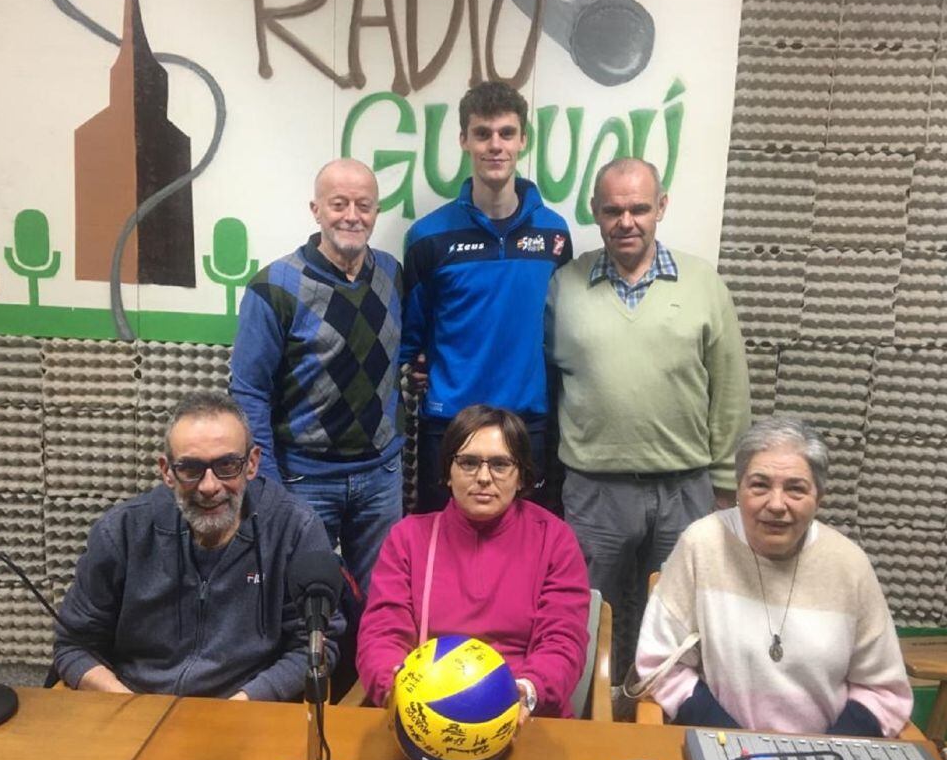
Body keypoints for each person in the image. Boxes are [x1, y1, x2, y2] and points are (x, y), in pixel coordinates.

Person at [545, 156, 751, 681]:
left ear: (662, 207)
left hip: (686, 487)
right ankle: (594, 722)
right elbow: (547, 381)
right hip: (594, 491)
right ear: (595, 211)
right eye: (613, 210)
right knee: (589, 616)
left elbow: (729, 390)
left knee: (681, 619)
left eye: (639, 208)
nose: (626, 221)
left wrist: (727, 484)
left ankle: (663, 717)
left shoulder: (704, 284)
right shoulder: (564, 285)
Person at [53, 391, 342, 700]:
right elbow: (74, 645)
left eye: (227, 465)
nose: (209, 486)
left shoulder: (294, 530)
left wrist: (247, 701)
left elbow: (315, 644)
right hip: (135, 706)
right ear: (167, 471)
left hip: (246, 711)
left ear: (252, 464)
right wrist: (130, 705)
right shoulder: (121, 532)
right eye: (190, 469)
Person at [634, 417, 913, 736]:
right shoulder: (701, 545)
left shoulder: (850, 565)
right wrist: (736, 746)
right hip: (721, 745)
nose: (777, 504)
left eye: (795, 489)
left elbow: (883, 690)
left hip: (828, 758)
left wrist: (824, 757)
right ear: (739, 490)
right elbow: (661, 663)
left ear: (819, 499)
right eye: (760, 485)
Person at [231, 158, 404, 591]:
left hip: (381, 477)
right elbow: (249, 392)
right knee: (305, 602)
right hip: (303, 480)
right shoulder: (273, 287)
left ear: (376, 212)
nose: (352, 216)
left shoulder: (392, 275)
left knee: (380, 601)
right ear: (316, 210)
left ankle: (369, 664)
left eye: (363, 205)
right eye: (338, 203)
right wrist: (267, 483)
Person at [401, 81, 572, 513]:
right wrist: (418, 371)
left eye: (506, 133)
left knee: (523, 558)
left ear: (523, 140)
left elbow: (563, 333)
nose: (495, 145)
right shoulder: (428, 237)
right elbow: (411, 339)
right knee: (443, 553)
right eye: (482, 133)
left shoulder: (553, 234)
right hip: (449, 424)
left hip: (526, 424)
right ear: (464, 140)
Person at [356, 405, 590, 721]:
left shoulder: (554, 539)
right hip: (425, 714)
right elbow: (381, 634)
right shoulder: (409, 537)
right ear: (447, 473)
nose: (483, 477)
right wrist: (395, 683)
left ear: (521, 476)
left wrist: (527, 691)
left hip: (524, 714)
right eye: (467, 463)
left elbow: (563, 640)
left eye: (500, 464)